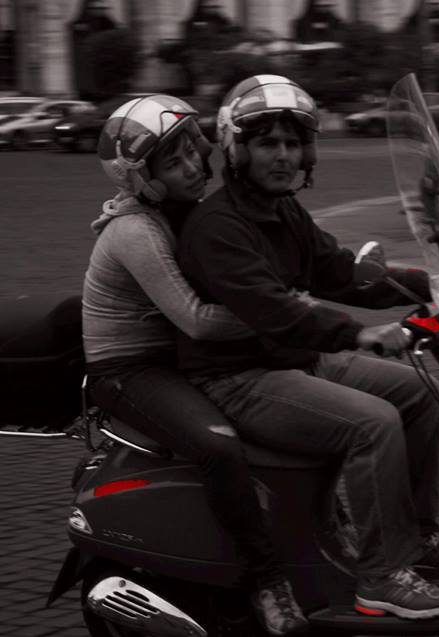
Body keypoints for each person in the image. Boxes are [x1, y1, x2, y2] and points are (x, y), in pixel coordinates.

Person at [176, 75, 439, 620]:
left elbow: (339, 273)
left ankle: (419, 542)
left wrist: (437, 284)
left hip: (290, 361)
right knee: (373, 422)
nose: (284, 156)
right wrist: (359, 333)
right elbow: (274, 311)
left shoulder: (282, 210)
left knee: (417, 394)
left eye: (292, 143)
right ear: (237, 149)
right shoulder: (217, 227)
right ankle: (380, 577)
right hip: (238, 379)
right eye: (268, 143)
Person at [81, 95, 308, 636]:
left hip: (172, 358)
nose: (192, 167)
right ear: (142, 178)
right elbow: (199, 319)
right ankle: (267, 581)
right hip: (128, 370)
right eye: (173, 162)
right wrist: (284, 313)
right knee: (219, 445)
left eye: (193, 153)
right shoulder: (136, 231)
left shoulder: (177, 213)